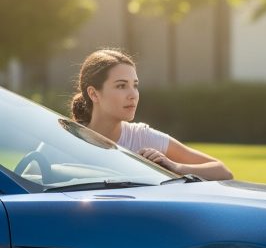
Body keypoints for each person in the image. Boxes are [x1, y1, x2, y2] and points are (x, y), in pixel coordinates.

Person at [70, 48, 233, 180]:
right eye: (121, 86)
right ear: (93, 94)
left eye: (135, 85)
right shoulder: (66, 139)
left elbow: (222, 171)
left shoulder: (142, 137)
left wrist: (175, 167)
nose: (133, 94)